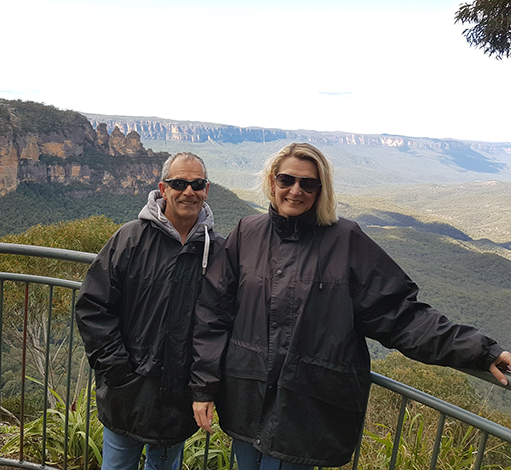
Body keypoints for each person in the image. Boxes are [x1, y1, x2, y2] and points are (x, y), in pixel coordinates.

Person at [189, 142, 511, 470]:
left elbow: (401, 316)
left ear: (321, 189)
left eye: (308, 184)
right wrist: (204, 387)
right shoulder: (247, 233)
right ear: (272, 181)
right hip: (247, 398)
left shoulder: (346, 241)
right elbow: (213, 313)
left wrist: (479, 351)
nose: (296, 190)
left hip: (304, 409)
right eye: (287, 180)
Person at [76, 152, 224, 470]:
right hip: (127, 394)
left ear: (206, 190)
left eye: (197, 184)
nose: (188, 191)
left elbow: (219, 326)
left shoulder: (218, 252)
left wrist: (203, 387)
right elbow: (93, 306)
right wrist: (118, 373)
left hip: (180, 399)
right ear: (163, 187)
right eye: (179, 183)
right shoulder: (130, 239)